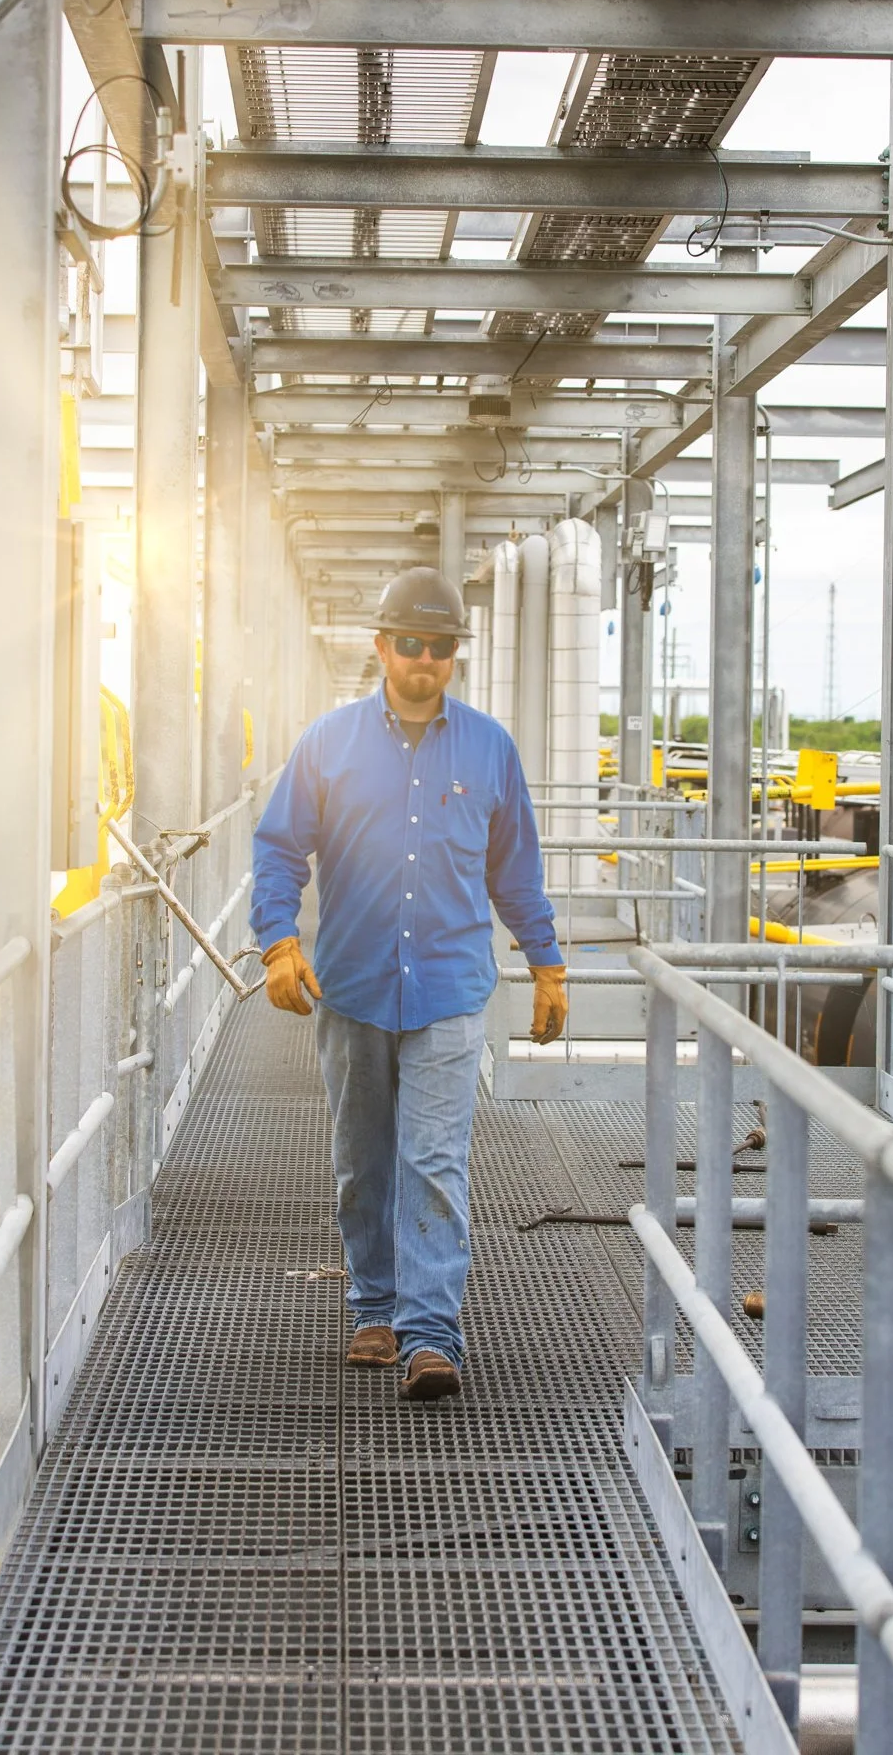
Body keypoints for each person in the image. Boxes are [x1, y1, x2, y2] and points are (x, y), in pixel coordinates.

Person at [251, 566, 568, 1401]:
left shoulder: (489, 749)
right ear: (382, 646)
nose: (424, 659)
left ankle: (431, 1336)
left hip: (451, 991)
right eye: (410, 644)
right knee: (363, 1161)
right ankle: (373, 1307)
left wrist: (546, 962)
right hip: (353, 984)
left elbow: (516, 871)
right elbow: (280, 847)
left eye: (440, 647)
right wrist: (278, 941)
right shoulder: (327, 743)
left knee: (433, 1161)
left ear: (454, 656)